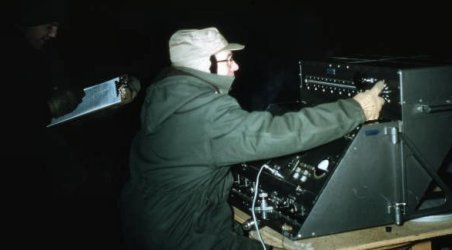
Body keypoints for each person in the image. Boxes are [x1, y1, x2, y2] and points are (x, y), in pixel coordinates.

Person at [119, 26, 385, 250]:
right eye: (228, 59)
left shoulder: (168, 97)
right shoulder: (203, 112)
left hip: (151, 227)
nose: (236, 66)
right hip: (183, 238)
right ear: (206, 64)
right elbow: (277, 133)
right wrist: (355, 109)